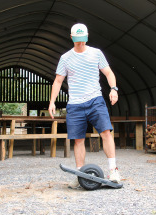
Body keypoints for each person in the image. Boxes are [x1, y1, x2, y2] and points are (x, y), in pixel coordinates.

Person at [48, 23, 121, 188]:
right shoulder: (65, 58)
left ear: (86, 37)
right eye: (77, 40)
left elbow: (108, 72)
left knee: (106, 133)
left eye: (83, 40)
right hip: (75, 104)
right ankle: (80, 174)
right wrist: (52, 101)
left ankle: (113, 170)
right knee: (78, 140)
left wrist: (114, 89)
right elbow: (58, 80)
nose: (80, 43)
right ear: (72, 37)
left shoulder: (96, 53)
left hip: (95, 100)